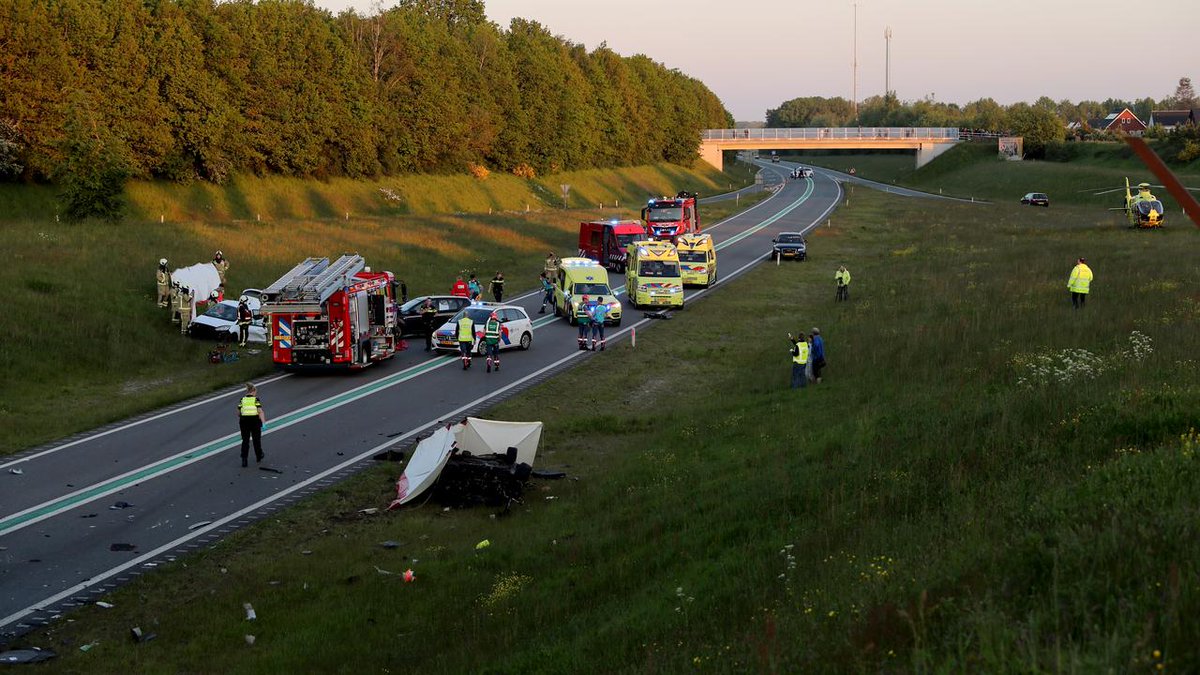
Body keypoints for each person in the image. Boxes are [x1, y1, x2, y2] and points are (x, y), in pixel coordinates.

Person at [237, 382, 266, 467]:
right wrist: (263, 423)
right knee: (256, 439)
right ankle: (259, 455)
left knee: (245, 440)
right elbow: (260, 411)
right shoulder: (255, 400)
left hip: (244, 422)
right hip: (255, 421)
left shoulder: (242, 400)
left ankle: (244, 459)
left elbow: (238, 413)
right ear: (253, 391)